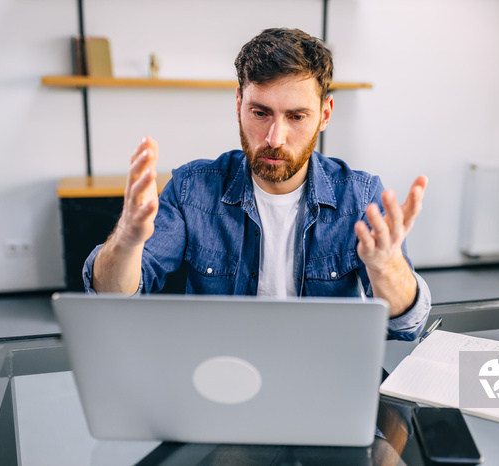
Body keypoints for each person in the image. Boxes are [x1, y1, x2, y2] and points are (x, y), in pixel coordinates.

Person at [83, 28, 431, 341]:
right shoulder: (192, 189)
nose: (274, 138)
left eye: (296, 116)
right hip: (216, 374)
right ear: (239, 105)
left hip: (320, 375)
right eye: (260, 113)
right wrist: (127, 240)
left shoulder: (359, 196)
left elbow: (409, 324)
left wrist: (387, 268)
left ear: (325, 114)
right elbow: (110, 297)